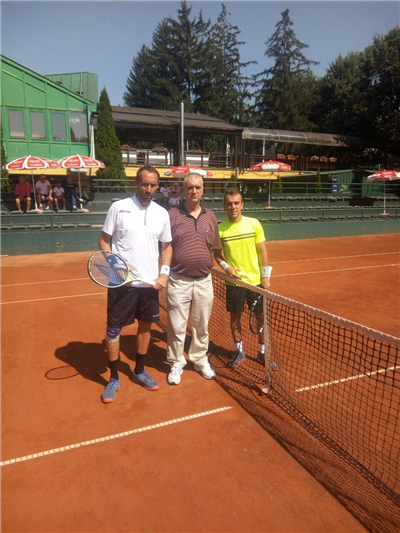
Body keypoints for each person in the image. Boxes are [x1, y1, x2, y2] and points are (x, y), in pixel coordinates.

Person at [99, 165, 172, 403]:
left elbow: (166, 246)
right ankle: (113, 378)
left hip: (149, 285)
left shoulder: (162, 213)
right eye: (144, 184)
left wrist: (164, 274)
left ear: (157, 187)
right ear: (136, 184)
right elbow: (104, 240)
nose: (148, 189)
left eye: (153, 185)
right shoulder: (118, 208)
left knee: (145, 328)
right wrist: (115, 265)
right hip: (121, 284)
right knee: (113, 330)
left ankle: (139, 371)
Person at [166, 172, 221, 385]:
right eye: (190, 187)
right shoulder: (172, 215)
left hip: (204, 281)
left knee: (201, 325)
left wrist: (226, 266)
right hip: (178, 280)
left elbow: (215, 248)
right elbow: (165, 246)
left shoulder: (210, 216)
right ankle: (176, 363)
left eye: (198, 187)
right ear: (183, 190)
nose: (194, 191)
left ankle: (199, 359)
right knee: (177, 326)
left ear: (203, 190)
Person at [216, 188, 278, 370]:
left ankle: (262, 352)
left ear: (242, 205)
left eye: (236, 203)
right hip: (234, 283)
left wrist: (265, 277)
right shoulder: (220, 229)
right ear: (224, 206)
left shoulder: (254, 224)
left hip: (255, 282)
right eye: (229, 204)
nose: (233, 206)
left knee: (261, 318)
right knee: (235, 318)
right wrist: (227, 268)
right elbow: (217, 254)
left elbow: (262, 251)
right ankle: (239, 351)